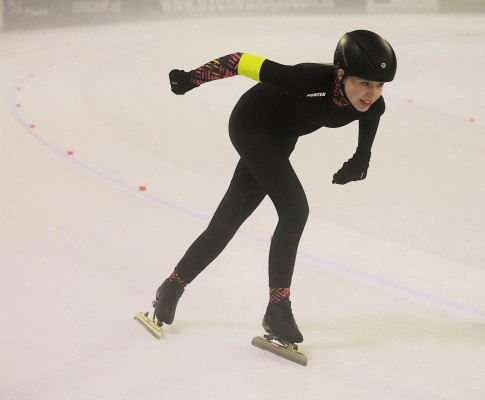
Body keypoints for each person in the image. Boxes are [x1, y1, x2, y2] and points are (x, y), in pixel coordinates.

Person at [152, 30, 396, 344]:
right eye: (364, 82)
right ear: (340, 74)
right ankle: (277, 308)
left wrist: (362, 156)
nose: (372, 93)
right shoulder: (305, 80)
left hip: (280, 140)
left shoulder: (373, 104)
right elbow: (241, 61)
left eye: (379, 85)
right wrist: (192, 78)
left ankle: (171, 286)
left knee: (229, 219)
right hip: (251, 124)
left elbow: (372, 115)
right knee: (295, 210)